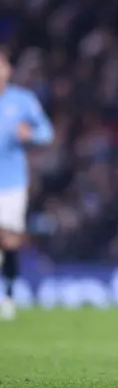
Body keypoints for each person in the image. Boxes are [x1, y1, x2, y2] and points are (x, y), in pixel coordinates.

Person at [0, 47, 54, 320]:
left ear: (8, 69)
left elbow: (46, 132)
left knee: (8, 238)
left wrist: (29, 133)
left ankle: (8, 296)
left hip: (10, 183)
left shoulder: (22, 100)